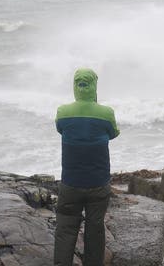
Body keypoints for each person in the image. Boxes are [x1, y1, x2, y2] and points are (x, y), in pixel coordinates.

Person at [54, 68, 120, 266]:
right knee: (95, 229)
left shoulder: (63, 112)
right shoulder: (106, 113)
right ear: (94, 86)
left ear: (75, 86)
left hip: (70, 184)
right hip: (98, 184)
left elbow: (60, 129)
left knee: (65, 229)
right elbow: (114, 133)